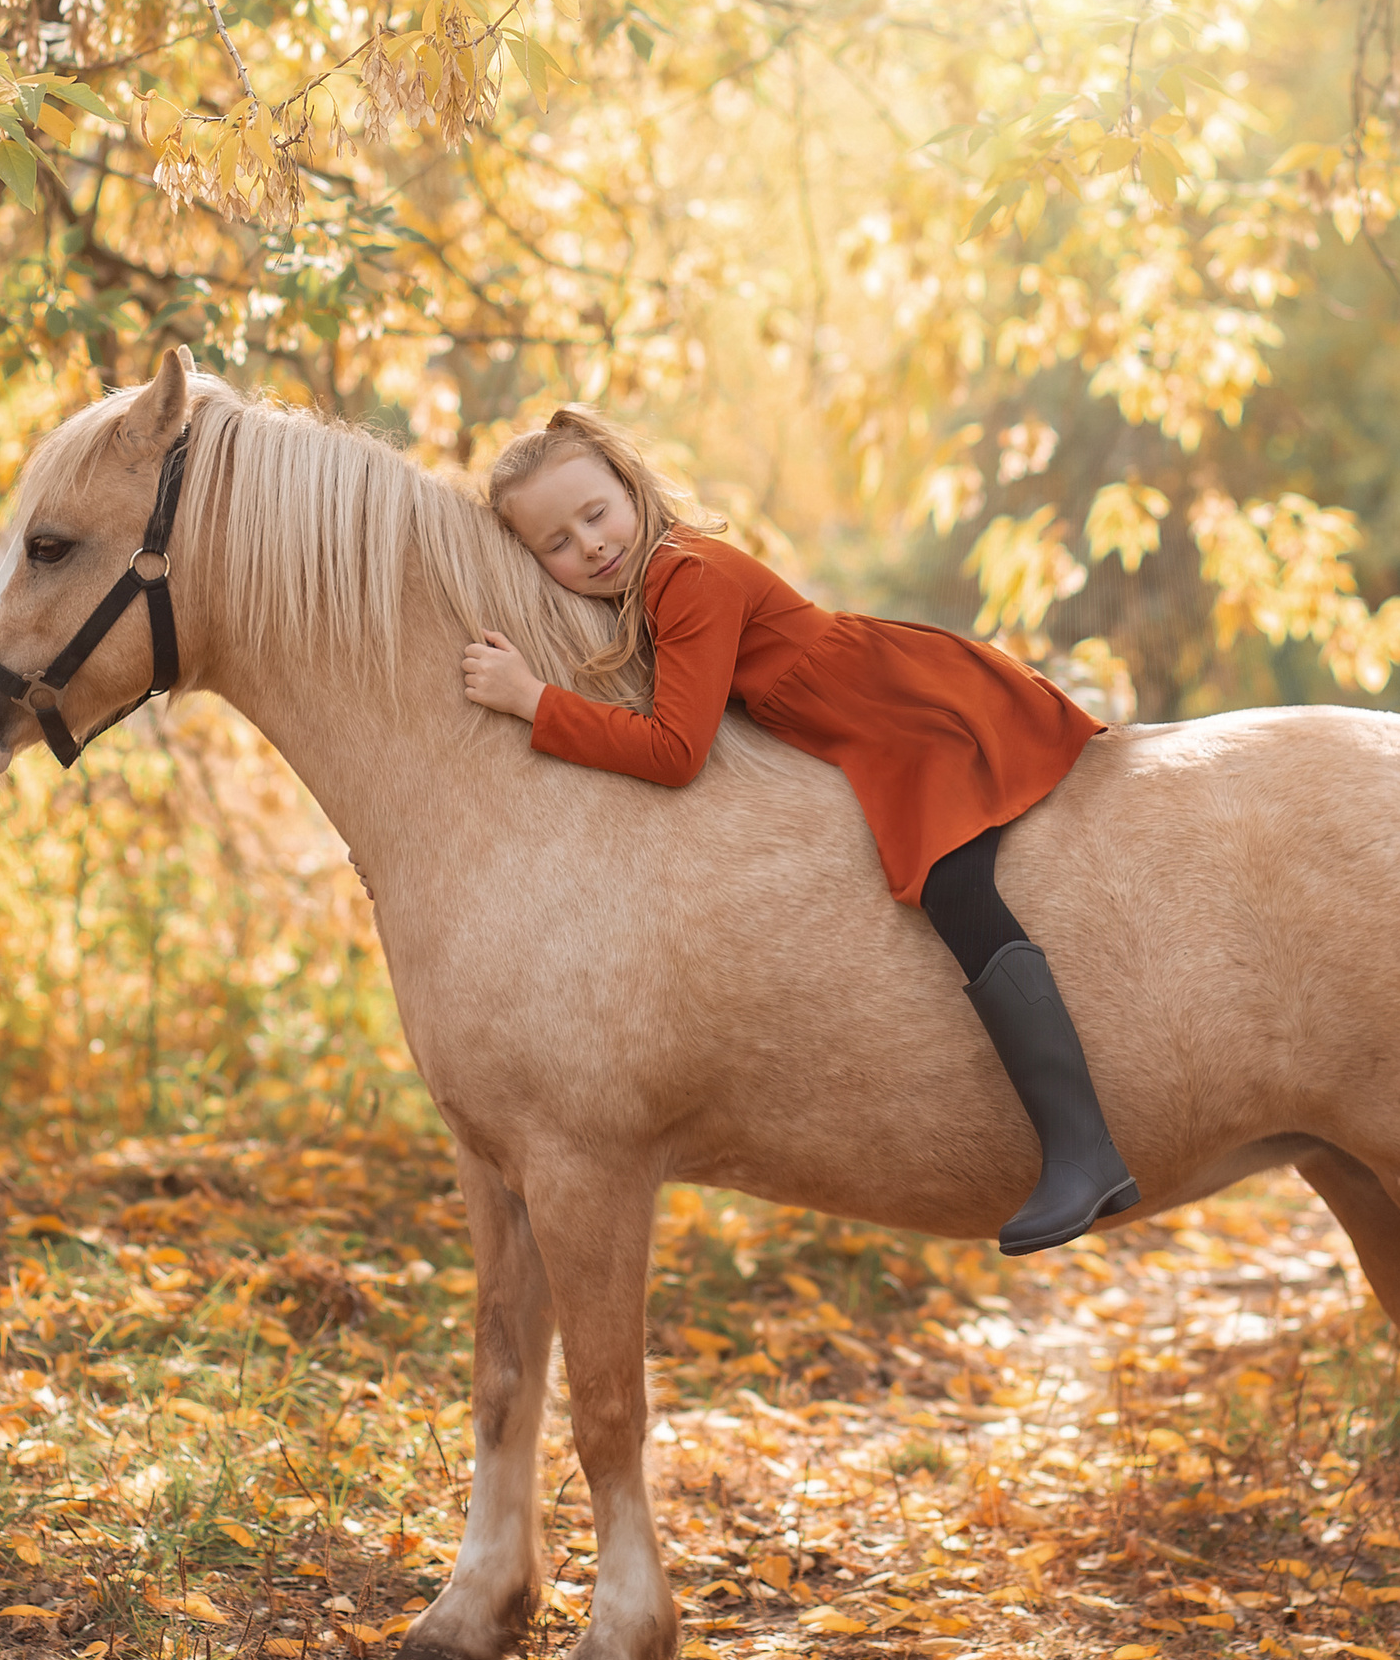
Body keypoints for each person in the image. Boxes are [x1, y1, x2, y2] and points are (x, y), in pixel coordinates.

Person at [460, 407, 1140, 1256]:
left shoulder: (685, 574)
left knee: (956, 889)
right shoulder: (652, 587)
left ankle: (1085, 1150)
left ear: (630, 486)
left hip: (900, 714)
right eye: (557, 543)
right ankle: (1083, 1148)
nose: (590, 546)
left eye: (596, 514)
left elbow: (676, 752)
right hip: (868, 718)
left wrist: (533, 701)